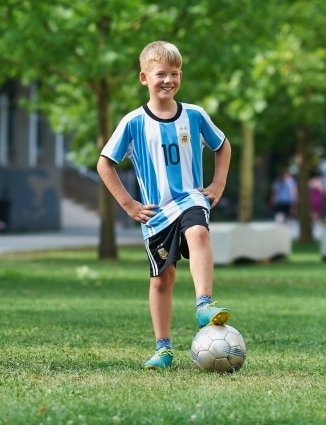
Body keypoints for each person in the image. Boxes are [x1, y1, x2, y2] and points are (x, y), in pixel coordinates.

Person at [96, 40, 232, 370]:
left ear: (181, 76)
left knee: (199, 232)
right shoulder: (133, 122)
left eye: (174, 73)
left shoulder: (196, 116)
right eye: (160, 74)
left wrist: (217, 184)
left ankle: (203, 304)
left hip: (191, 198)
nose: (168, 80)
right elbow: (104, 163)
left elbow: (223, 145)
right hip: (156, 214)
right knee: (161, 280)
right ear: (144, 78)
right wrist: (129, 204)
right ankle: (164, 348)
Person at [308, 172, 325, 239]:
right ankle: (315, 222)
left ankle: (314, 222)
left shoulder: (311, 182)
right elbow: (322, 191)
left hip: (312, 197)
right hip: (317, 198)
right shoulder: (319, 182)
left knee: (313, 212)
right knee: (316, 212)